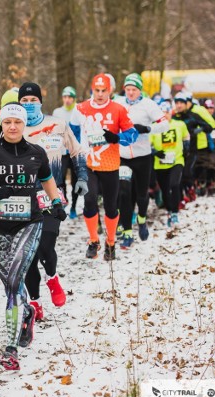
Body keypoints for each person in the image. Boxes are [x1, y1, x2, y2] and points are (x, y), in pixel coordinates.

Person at [0, 103, 65, 371]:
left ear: (23, 125)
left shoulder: (36, 152)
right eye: (8, 122)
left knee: (14, 280)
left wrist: (56, 203)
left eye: (17, 122)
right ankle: (28, 310)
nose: (12, 126)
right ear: (2, 123)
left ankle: (10, 349)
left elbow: (47, 179)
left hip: (30, 223)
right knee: (9, 283)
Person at [18, 82, 87, 323]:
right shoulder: (13, 129)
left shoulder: (57, 124)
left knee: (46, 244)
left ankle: (52, 278)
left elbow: (77, 151)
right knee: (28, 257)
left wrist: (82, 177)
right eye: (24, 102)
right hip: (22, 198)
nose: (28, 105)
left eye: (32, 101)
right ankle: (35, 302)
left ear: (40, 101)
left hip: (51, 194)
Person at [69, 73, 138, 260]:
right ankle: (93, 241)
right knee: (89, 200)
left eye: (104, 90)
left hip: (110, 165)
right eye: (96, 90)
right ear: (92, 89)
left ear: (111, 91)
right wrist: (75, 153)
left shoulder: (118, 109)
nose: (99, 94)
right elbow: (72, 132)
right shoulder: (80, 108)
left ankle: (111, 241)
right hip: (89, 163)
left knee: (110, 207)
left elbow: (133, 135)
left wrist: (116, 138)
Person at [115, 73, 169, 248]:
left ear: (140, 90)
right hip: (123, 156)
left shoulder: (149, 105)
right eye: (128, 89)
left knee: (141, 193)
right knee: (123, 192)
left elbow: (164, 124)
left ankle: (142, 218)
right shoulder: (118, 103)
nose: (130, 93)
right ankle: (127, 231)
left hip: (142, 156)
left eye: (134, 90)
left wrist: (147, 128)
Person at [151, 102, 189, 228]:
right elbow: (147, 144)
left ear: (171, 113)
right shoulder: (153, 128)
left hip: (176, 160)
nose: (165, 115)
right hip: (160, 164)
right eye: (162, 113)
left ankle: (175, 213)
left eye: (167, 112)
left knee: (175, 184)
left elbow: (186, 136)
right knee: (165, 190)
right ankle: (169, 211)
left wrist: (187, 146)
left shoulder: (179, 124)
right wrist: (155, 152)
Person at [172, 92, 214, 206]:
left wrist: (198, 130)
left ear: (186, 104)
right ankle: (180, 199)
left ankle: (190, 189)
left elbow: (209, 126)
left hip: (192, 150)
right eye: (177, 103)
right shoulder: (173, 117)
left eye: (181, 103)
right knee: (178, 176)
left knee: (187, 173)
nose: (179, 105)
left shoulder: (192, 116)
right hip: (177, 152)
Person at [52, 86, 82, 219]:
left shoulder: (79, 110)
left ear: (74, 99)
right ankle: (64, 199)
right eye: (65, 97)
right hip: (62, 151)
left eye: (70, 97)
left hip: (75, 151)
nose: (67, 100)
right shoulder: (57, 112)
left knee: (75, 180)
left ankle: (74, 207)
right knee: (60, 178)